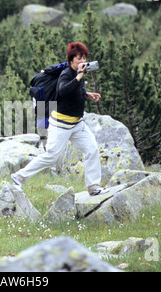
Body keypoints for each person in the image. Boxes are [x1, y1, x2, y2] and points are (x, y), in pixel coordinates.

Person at [11, 42, 109, 196]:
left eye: (84, 58)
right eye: (79, 59)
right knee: (51, 157)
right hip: (60, 125)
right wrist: (79, 76)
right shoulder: (67, 73)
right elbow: (63, 91)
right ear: (71, 60)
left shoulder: (79, 74)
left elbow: (74, 90)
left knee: (92, 150)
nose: (82, 62)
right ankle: (18, 177)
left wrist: (86, 94)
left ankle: (93, 187)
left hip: (77, 124)